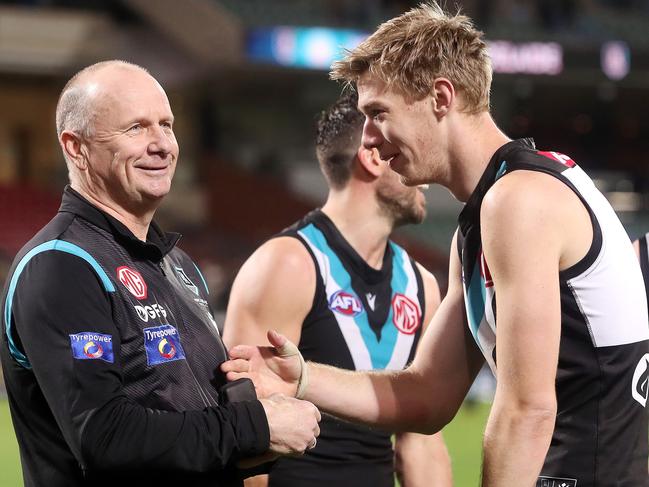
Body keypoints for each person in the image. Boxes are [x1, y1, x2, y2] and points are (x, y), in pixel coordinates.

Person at [221, 4, 649, 487]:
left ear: (440, 98)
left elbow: (527, 412)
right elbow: (428, 395)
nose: (369, 139)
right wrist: (302, 378)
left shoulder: (517, 200)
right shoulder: (490, 212)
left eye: (378, 113)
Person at [0, 60, 321, 487]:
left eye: (166, 125)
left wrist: (255, 398)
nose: (162, 144)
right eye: (136, 128)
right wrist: (255, 426)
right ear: (75, 147)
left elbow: (187, 424)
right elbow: (104, 437)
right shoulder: (61, 265)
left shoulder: (177, 266)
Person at [222, 92, 452, 487]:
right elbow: (245, 434)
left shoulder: (421, 286)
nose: (426, 177)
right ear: (374, 156)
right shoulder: (287, 265)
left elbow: (421, 444)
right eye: (411, 147)